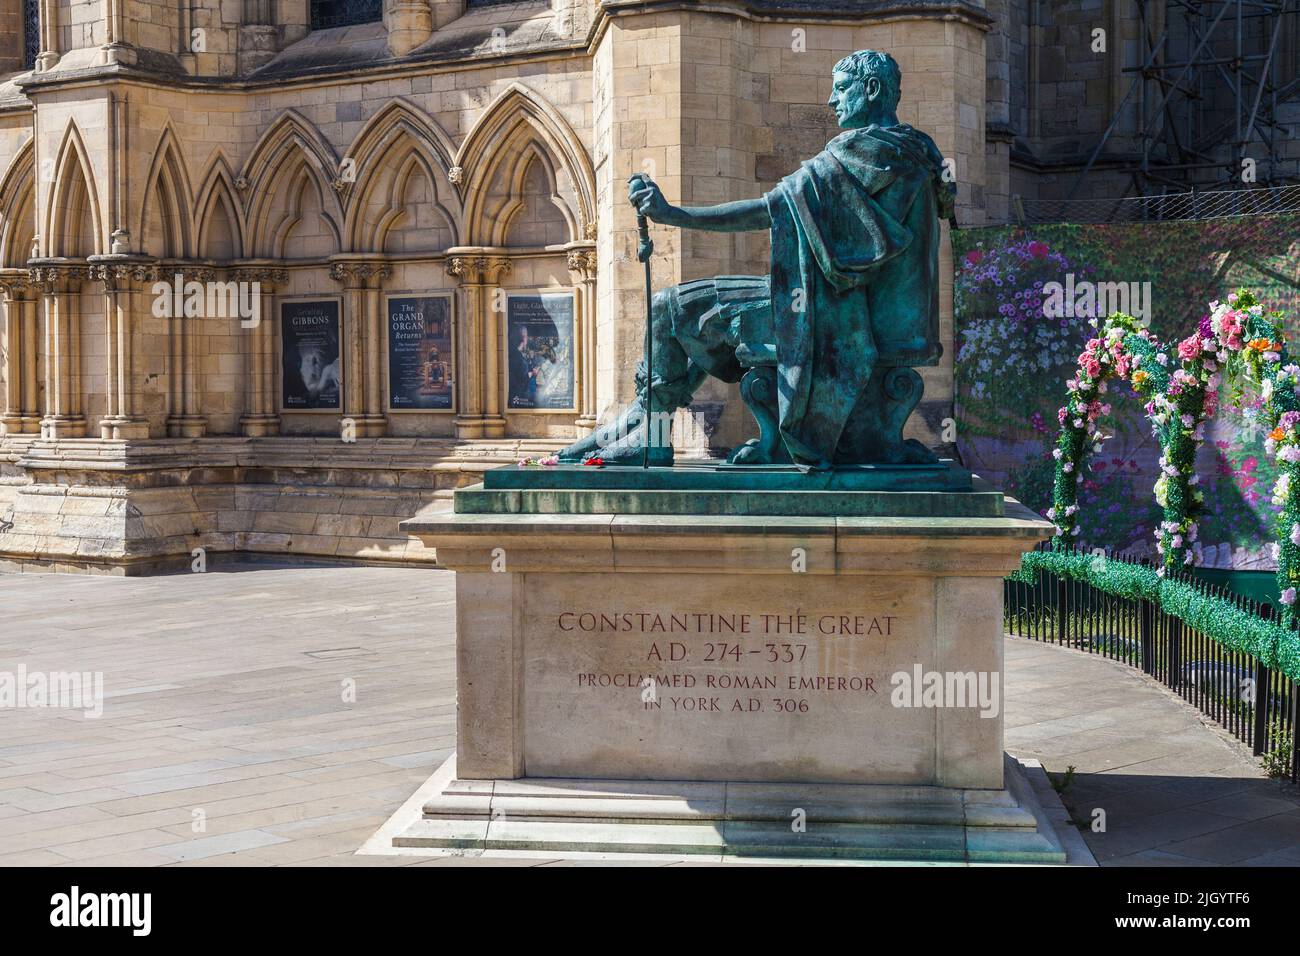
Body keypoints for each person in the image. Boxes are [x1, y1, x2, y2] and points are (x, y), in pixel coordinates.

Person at [558, 49, 954, 468]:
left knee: (667, 307)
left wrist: (673, 215)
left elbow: (768, 209)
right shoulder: (916, 150)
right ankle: (644, 420)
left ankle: (651, 430)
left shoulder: (868, 151)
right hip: (853, 306)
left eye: (841, 89)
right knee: (691, 312)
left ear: (872, 89)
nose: (831, 101)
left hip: (839, 314)